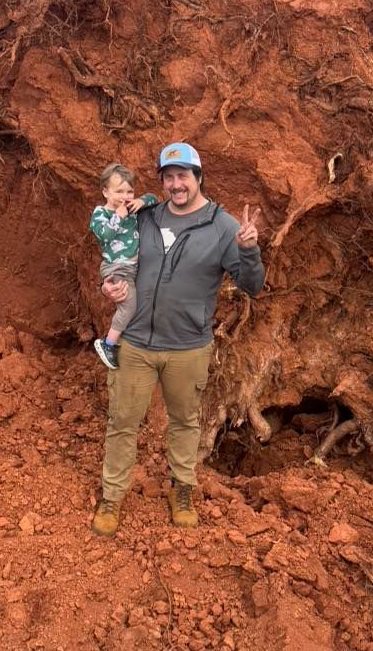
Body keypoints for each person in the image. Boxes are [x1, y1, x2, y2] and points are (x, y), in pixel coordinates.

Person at [91, 141, 264, 536]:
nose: (176, 184)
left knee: (185, 422)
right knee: (122, 422)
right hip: (135, 343)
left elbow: (253, 285)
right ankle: (112, 496)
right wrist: (109, 283)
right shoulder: (145, 216)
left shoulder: (223, 226)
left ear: (198, 177)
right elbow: (118, 252)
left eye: (183, 176)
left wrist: (249, 250)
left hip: (188, 347)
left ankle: (181, 490)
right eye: (168, 177)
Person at [88, 163, 158, 370]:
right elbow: (104, 235)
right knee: (128, 305)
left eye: (129, 191)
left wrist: (141, 200)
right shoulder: (101, 213)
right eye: (119, 191)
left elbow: (155, 198)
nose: (125, 196)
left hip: (132, 267)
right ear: (105, 192)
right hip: (116, 268)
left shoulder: (131, 208)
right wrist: (119, 215)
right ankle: (108, 343)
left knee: (136, 303)